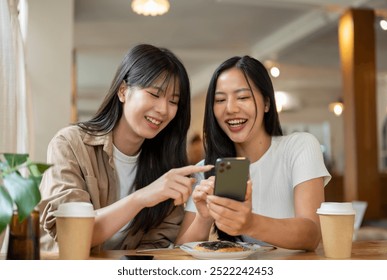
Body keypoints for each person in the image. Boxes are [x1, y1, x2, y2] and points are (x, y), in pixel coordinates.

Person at [38, 44, 213, 252]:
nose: (163, 110)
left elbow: (154, 250)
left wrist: (204, 217)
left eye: (173, 101)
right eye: (154, 94)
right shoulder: (70, 144)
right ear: (123, 91)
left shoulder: (165, 164)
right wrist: (141, 198)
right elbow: (69, 232)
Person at [176, 55, 331, 251]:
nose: (231, 108)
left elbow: (312, 233)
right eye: (220, 100)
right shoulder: (206, 169)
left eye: (243, 97)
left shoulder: (299, 147)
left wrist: (250, 223)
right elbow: (179, 251)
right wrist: (203, 218)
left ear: (266, 103)